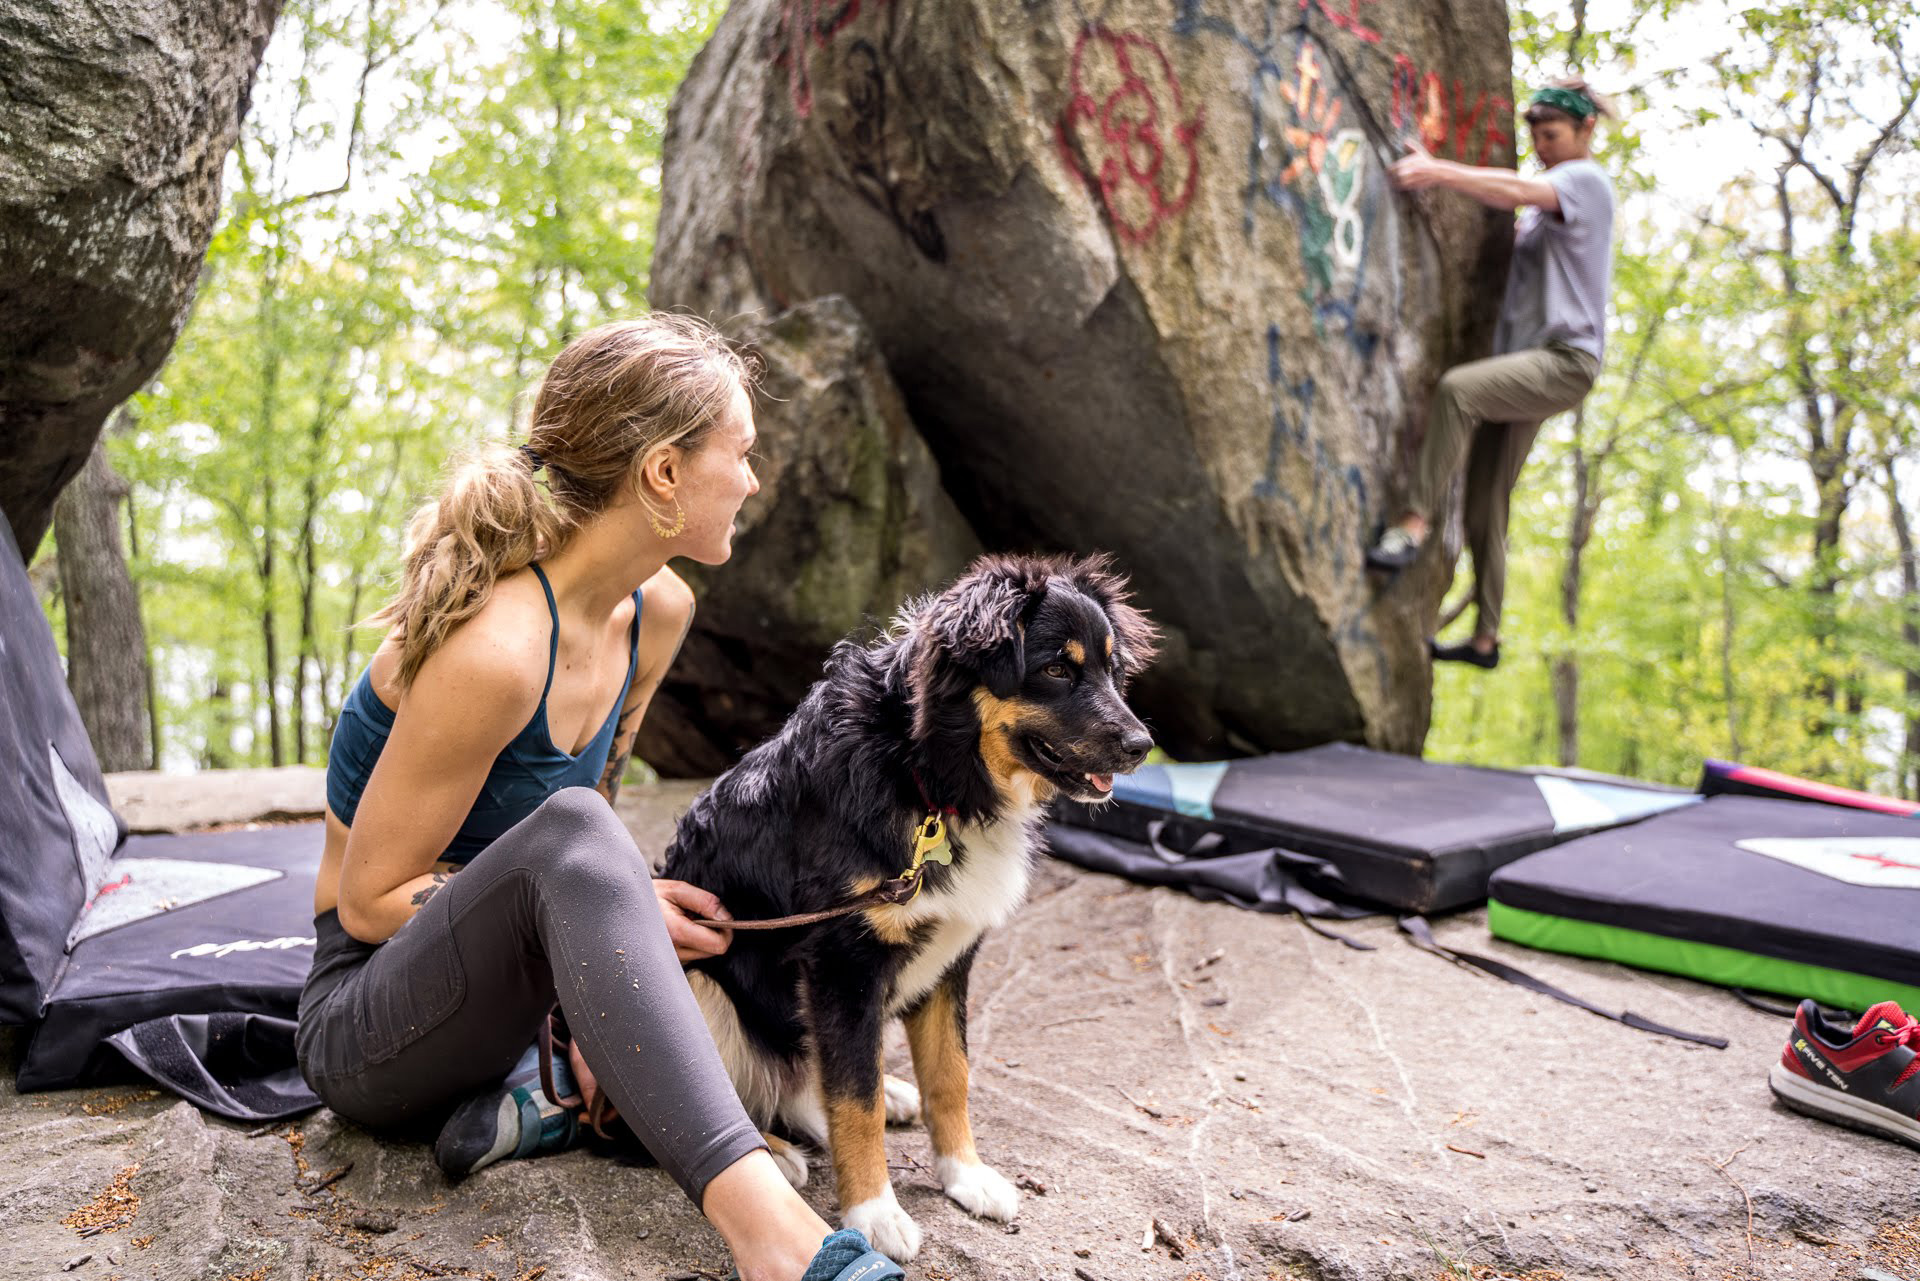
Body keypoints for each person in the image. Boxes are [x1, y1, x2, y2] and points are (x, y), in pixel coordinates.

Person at [296, 314, 905, 1281]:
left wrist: (604, 950)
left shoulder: (656, 612)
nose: (752, 479)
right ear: (663, 472)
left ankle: (530, 1094)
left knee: (596, 837)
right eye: (739, 453)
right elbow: (372, 903)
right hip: (367, 1018)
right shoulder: (495, 650)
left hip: (498, 999)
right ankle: (779, 1243)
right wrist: (607, 906)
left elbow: (585, 837)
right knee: (580, 830)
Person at [1365, 79, 1617, 670]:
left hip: (1564, 360)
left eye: (1553, 136)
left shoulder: (1585, 181)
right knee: (1486, 502)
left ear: (1586, 132)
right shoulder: (1550, 206)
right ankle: (1486, 641)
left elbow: (1513, 189)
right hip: (1535, 367)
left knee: (1458, 390)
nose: (1544, 148)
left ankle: (1413, 523)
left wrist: (1434, 170)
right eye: (1536, 138)